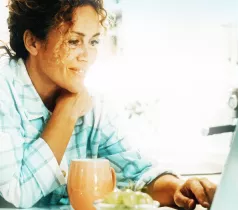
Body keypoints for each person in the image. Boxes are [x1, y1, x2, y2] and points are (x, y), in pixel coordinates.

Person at [0, 0, 216, 209]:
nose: (87, 56)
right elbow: (17, 192)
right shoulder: (5, 94)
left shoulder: (91, 106)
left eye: (93, 42)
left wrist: (178, 188)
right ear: (33, 42)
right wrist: (67, 112)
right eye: (73, 41)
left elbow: (137, 175)